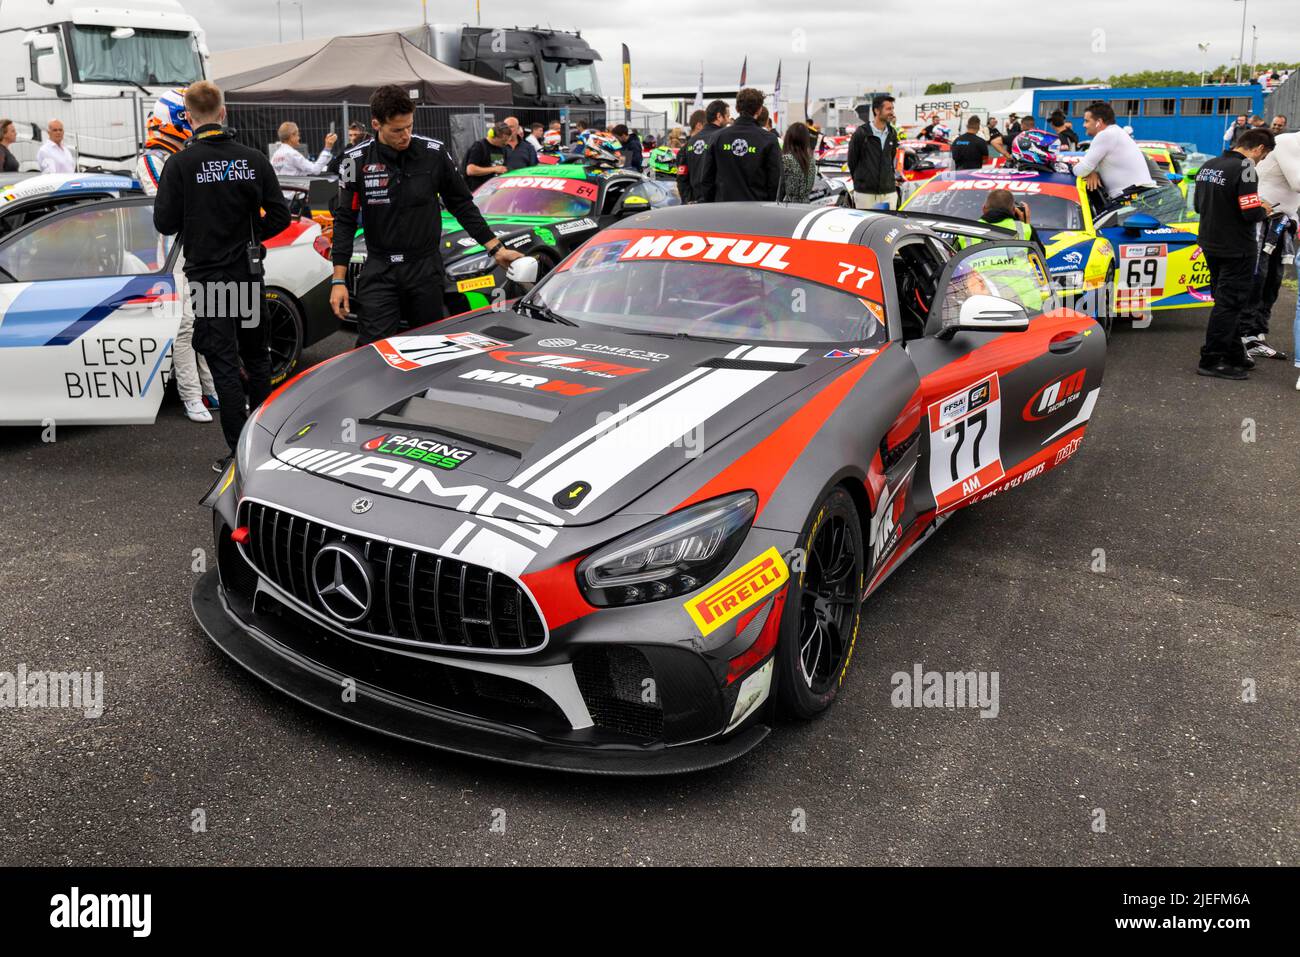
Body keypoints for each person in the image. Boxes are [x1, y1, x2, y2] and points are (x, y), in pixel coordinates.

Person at [153, 81, 290, 472]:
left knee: (226, 364)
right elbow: (279, 215)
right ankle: (265, 445)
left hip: (211, 279)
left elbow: (163, 223)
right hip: (246, 274)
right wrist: (249, 236)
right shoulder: (252, 159)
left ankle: (240, 453)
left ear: (190, 118)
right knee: (257, 359)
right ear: (223, 112)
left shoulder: (179, 163)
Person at [329, 85, 523, 346]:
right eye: (397, 130)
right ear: (376, 124)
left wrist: (495, 248)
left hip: (425, 268)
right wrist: (339, 279)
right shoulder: (354, 161)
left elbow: (462, 205)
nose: (405, 135)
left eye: (409, 126)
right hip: (380, 269)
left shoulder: (434, 153)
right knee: (373, 350)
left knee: (429, 348)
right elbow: (344, 219)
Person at [135, 88, 219, 424]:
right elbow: (167, 205)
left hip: (202, 252)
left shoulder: (191, 154)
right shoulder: (150, 159)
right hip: (173, 257)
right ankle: (191, 395)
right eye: (186, 115)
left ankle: (212, 389)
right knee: (184, 327)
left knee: (207, 324)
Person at [1191, 127, 1275, 380]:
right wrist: (1265, 210)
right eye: (1264, 156)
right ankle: (1212, 359)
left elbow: (1197, 205)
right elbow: (1249, 212)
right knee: (1230, 304)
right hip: (1237, 248)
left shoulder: (1209, 164)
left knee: (1226, 302)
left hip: (1210, 243)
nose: (1261, 161)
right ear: (1259, 148)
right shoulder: (1247, 169)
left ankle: (1234, 352)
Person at [1241, 130, 1299, 361]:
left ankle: (1256, 335)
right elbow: (1297, 183)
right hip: (1261, 221)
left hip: (1283, 223)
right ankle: (1242, 335)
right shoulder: (1287, 142)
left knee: (1273, 281)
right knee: (1257, 278)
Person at [698, 88, 781, 203]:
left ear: (737, 108)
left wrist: (711, 204)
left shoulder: (718, 137)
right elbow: (775, 181)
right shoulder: (768, 139)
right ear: (759, 110)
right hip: (756, 210)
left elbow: (706, 178)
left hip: (724, 209)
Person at [1073, 101, 1155, 202]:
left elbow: (1081, 170)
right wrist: (1091, 172)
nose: (1084, 125)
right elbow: (1092, 168)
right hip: (1140, 196)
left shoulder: (1105, 135)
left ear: (1099, 122)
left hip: (1132, 198)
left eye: (1087, 121)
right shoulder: (1116, 132)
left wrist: (1079, 168)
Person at [846, 93, 901, 209]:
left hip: (888, 192)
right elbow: (852, 161)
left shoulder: (892, 133)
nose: (892, 112)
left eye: (892, 108)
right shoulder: (861, 133)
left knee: (887, 225)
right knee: (867, 226)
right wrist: (862, 182)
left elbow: (890, 159)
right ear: (877, 111)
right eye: (888, 109)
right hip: (865, 194)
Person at [678, 101, 727, 204]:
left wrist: (688, 201)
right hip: (714, 204)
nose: (727, 120)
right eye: (727, 116)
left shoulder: (689, 144)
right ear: (719, 116)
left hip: (694, 204)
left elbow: (682, 178)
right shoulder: (720, 139)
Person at [956, 188, 1038, 248]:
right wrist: (1026, 224)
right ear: (1013, 210)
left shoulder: (965, 234)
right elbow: (1040, 259)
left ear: (984, 209)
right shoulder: (1025, 230)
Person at [271, 122, 336, 176]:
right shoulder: (292, 154)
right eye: (298, 134)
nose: (299, 138)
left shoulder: (275, 155)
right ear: (292, 136)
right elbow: (315, 170)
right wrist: (328, 148)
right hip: (296, 190)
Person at [777, 122, 816, 203]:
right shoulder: (811, 161)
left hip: (788, 206)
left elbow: (780, 187)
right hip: (805, 205)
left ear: (789, 138)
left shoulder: (785, 160)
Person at [463, 123, 510, 190]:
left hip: (494, 190)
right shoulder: (479, 146)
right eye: (503, 140)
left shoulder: (502, 148)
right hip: (478, 191)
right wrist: (494, 169)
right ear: (493, 136)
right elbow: (470, 170)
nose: (506, 143)